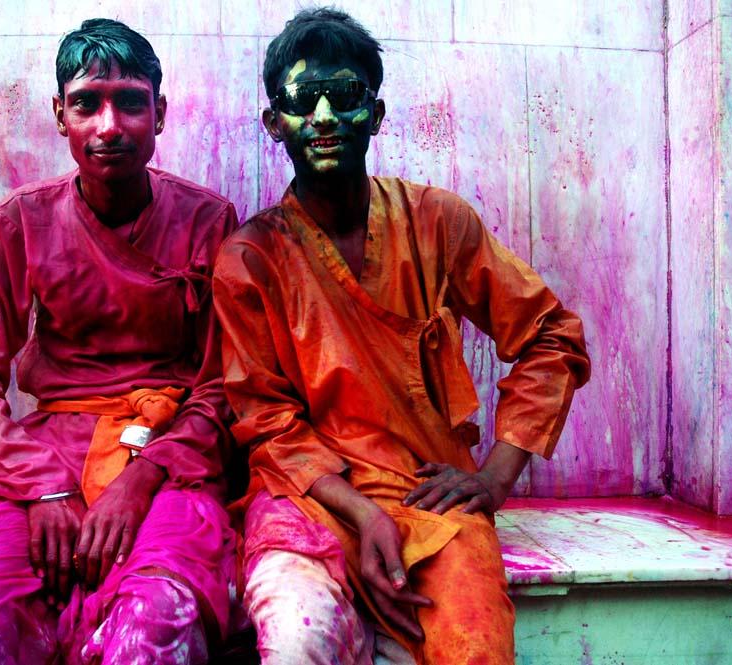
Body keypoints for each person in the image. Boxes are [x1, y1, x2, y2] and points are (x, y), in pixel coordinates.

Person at [212, 8, 591, 664]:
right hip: (309, 501)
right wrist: (361, 515)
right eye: (305, 100)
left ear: (377, 113)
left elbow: (550, 335)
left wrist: (497, 476)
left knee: (474, 646)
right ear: (276, 123)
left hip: (429, 498)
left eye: (347, 95)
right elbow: (268, 425)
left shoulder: (436, 222)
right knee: (299, 638)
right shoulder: (251, 258)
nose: (326, 115)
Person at [0, 18, 238, 665]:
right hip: (46, 454)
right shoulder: (21, 221)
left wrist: (144, 477)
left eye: (130, 101)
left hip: (170, 454)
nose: (109, 125)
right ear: (59, 114)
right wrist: (40, 484)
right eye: (87, 102)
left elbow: (225, 382)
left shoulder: (210, 221)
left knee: (159, 618)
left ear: (159, 112)